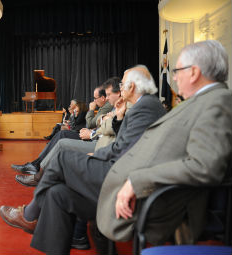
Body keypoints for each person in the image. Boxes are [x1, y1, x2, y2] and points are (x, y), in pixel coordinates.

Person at [0, 65, 166, 254]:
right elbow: (126, 143)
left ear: (132, 87)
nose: (120, 88)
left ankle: (29, 214)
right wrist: (119, 117)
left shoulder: (144, 108)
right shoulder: (144, 106)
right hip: (119, 169)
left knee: (62, 157)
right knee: (57, 193)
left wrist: (96, 154)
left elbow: (122, 150)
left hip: (121, 178)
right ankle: (36, 217)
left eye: (122, 84)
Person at [97, 40, 232, 246]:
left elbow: (204, 166)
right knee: (60, 191)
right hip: (145, 186)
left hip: (162, 200)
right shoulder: (203, 100)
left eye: (177, 71)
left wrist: (137, 181)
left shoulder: (218, 102)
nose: (174, 77)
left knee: (64, 183)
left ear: (194, 72)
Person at [15, 77, 122, 187]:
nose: (94, 101)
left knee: (62, 141)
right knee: (60, 132)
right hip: (95, 136)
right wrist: (100, 122)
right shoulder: (114, 106)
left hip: (100, 143)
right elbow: (101, 123)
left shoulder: (112, 106)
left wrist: (92, 129)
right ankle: (37, 167)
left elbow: (94, 123)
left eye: (96, 98)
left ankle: (38, 176)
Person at [11, 100, 88, 175]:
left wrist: (87, 112)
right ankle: (36, 164)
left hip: (83, 135)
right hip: (80, 133)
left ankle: (36, 165)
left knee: (62, 133)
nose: (72, 107)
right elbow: (75, 124)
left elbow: (78, 123)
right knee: (59, 132)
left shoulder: (84, 113)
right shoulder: (77, 114)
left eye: (75, 107)